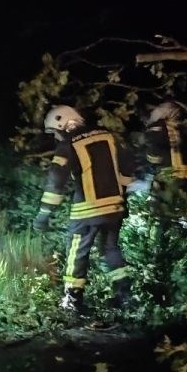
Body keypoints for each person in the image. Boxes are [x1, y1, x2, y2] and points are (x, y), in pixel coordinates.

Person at [33, 104, 133, 315]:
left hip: (87, 211)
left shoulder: (68, 144)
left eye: (55, 132)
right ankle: (125, 297)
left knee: (77, 252)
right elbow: (127, 170)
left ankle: (72, 300)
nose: (56, 138)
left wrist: (44, 214)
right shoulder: (109, 137)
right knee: (111, 249)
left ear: (63, 125)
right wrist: (123, 199)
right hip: (115, 207)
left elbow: (56, 182)